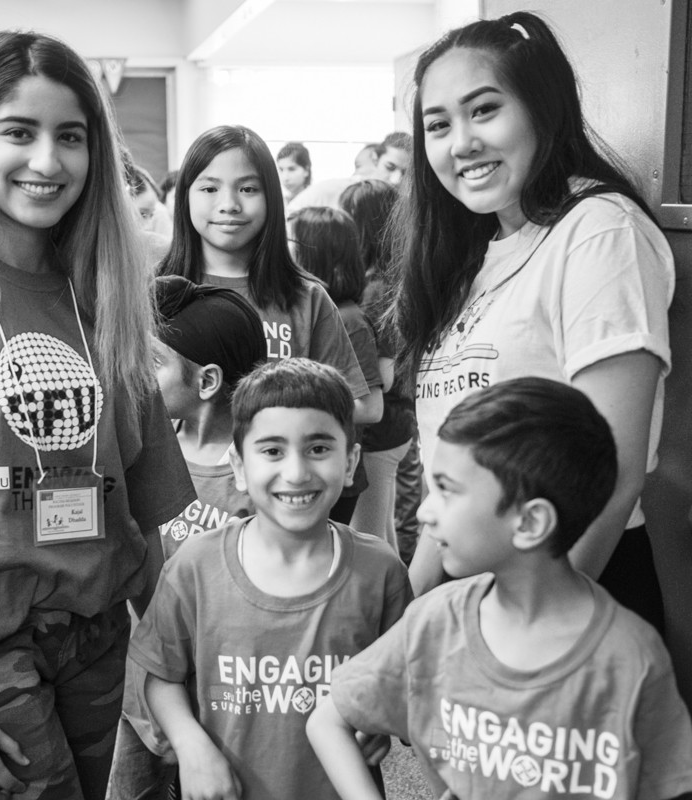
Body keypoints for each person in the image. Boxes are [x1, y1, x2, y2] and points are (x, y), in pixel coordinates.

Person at [0, 31, 195, 800]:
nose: (48, 161)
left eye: (71, 137)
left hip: (100, 637)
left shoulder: (105, 290)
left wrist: (172, 672)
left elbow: (143, 507)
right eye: (19, 132)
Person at [391, 12, 674, 630]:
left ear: (542, 110)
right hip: (471, 594)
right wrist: (402, 622)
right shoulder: (475, 254)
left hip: (572, 584)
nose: (460, 141)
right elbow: (446, 484)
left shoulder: (598, 231)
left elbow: (614, 473)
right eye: (437, 124)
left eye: (484, 110)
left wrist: (531, 635)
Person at [308, 377, 692, 798]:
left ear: (529, 523)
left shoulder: (632, 657)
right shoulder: (433, 622)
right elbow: (329, 720)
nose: (424, 510)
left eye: (447, 492)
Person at [128, 358, 412, 800]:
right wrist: (191, 745)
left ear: (352, 461)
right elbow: (161, 676)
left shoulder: (381, 572)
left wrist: (380, 719)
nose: (296, 472)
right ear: (239, 466)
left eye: (319, 448)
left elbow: (399, 685)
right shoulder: (195, 566)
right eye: (273, 451)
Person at [108, 275, 266, 800]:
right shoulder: (143, 453)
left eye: (152, 363)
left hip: (224, 699)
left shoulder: (256, 479)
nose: (134, 374)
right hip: (139, 693)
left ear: (207, 381)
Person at [159, 124, 380, 425]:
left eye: (248, 189)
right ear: (185, 197)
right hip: (178, 470)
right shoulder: (153, 292)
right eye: (210, 189)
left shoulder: (307, 298)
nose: (229, 206)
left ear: (272, 199)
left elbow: (355, 404)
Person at [339, 179, 418, 560]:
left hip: (382, 429)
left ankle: (387, 616)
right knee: (381, 533)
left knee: (369, 543)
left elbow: (383, 376)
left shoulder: (375, 290)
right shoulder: (396, 276)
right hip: (398, 423)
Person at [288, 206, 381, 526]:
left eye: (291, 247)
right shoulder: (304, 311)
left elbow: (370, 408)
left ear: (317, 255)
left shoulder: (348, 319)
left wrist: (292, 404)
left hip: (332, 470)